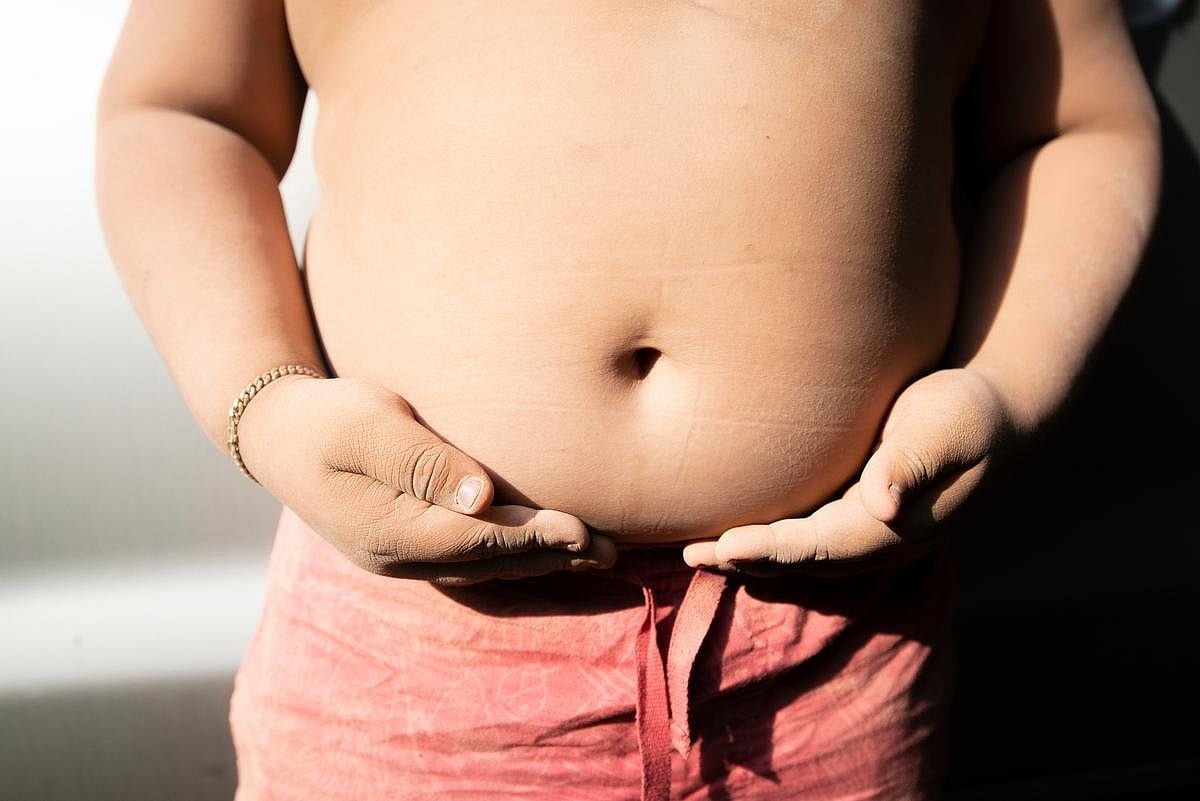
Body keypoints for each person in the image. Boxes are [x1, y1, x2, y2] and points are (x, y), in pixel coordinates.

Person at [94, 2, 1160, 799]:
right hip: (416, 655)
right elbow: (184, 109)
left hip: (832, 649)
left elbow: (1075, 122)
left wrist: (1004, 391)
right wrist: (264, 406)